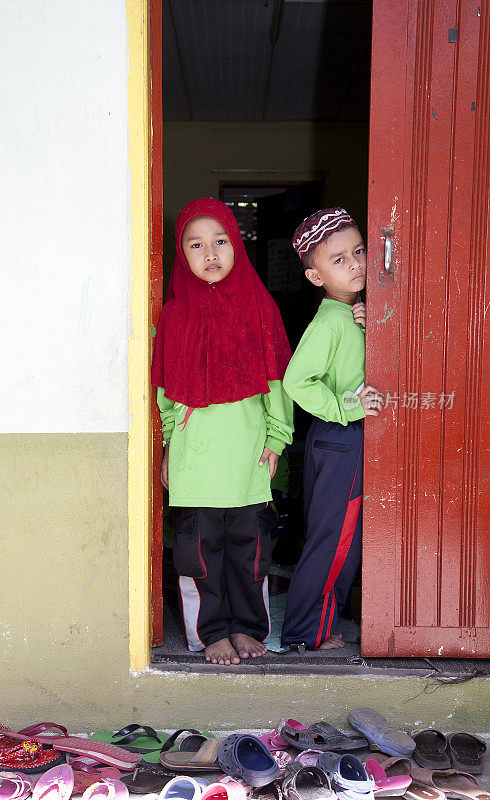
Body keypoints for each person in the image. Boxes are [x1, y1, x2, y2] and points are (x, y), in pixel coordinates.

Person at [151, 197, 294, 666]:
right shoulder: (173, 317)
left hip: (248, 459)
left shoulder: (259, 307)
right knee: (198, 557)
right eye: (196, 244)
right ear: (182, 255)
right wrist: (169, 447)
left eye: (220, 241)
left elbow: (278, 382)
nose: (210, 253)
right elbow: (166, 395)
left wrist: (277, 438)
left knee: (250, 555)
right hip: (196, 465)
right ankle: (209, 633)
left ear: (237, 246)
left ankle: (248, 628)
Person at [280, 208, 383, 651]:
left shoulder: (350, 316)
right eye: (339, 259)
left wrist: (373, 322)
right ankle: (308, 632)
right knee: (335, 541)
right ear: (316, 276)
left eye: (359, 252)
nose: (356, 264)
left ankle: (314, 625)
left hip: (338, 442)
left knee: (337, 537)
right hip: (340, 439)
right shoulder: (328, 323)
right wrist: (347, 406)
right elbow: (295, 381)